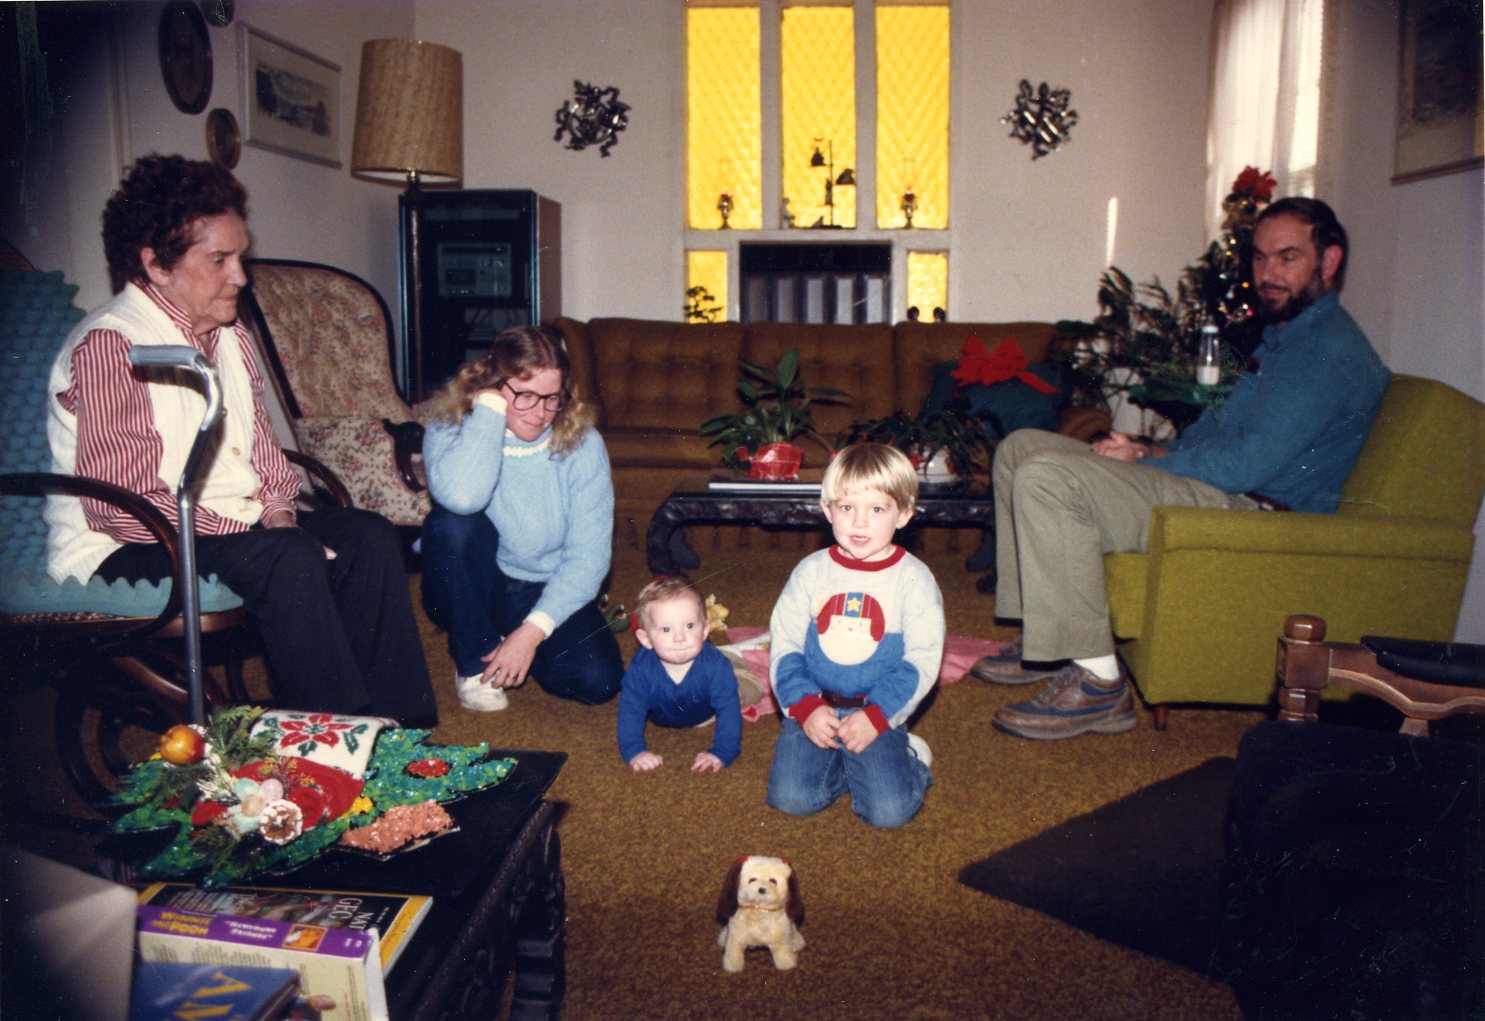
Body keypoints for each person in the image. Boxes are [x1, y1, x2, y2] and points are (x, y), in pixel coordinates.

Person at [977, 197, 1390, 740]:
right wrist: (1148, 452)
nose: (1267, 274)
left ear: (1328, 262)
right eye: (1261, 258)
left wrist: (1160, 461)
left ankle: (1101, 685)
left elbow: (1246, 465)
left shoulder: (1328, 353)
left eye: (1287, 258)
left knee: (1048, 477)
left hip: (1257, 512)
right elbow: (1215, 437)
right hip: (1222, 488)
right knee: (1022, 449)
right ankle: (1046, 640)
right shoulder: (1286, 340)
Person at [45, 154, 436, 723]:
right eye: (220, 260)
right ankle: (326, 753)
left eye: (241, 256)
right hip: (121, 546)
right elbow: (121, 509)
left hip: (220, 530)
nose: (242, 277)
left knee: (367, 535)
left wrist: (279, 516)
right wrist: (262, 532)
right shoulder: (112, 346)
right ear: (157, 265)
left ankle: (402, 737)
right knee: (287, 555)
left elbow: (265, 456)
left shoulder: (230, 334)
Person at [420, 324, 623, 712]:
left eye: (552, 398)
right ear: (493, 386)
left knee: (597, 681)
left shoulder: (584, 444)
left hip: (539, 586)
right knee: (452, 524)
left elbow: (590, 557)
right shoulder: (451, 428)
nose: (541, 412)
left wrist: (530, 634)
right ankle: (473, 658)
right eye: (525, 395)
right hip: (467, 580)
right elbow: (463, 498)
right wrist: (489, 414)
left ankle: (508, 638)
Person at [765, 443, 944, 829]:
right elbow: (785, 645)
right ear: (828, 510)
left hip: (877, 710)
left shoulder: (914, 579)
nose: (859, 523)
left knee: (888, 814)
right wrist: (805, 706)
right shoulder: (811, 572)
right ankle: (853, 766)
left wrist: (878, 716)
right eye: (847, 508)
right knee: (791, 800)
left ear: (904, 514)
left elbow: (922, 660)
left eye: (877, 509)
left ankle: (909, 759)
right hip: (816, 706)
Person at [616, 577, 743, 772]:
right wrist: (634, 751)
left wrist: (723, 751)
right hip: (663, 714)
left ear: (705, 630)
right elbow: (631, 710)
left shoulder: (717, 667)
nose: (680, 638)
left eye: (690, 626)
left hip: (708, 709)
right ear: (646, 638)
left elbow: (728, 709)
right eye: (666, 629)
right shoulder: (640, 670)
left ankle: (740, 656)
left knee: (749, 690)